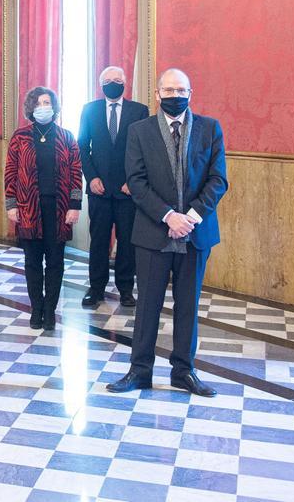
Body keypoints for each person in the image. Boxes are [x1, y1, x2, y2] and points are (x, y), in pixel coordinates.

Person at [107, 68, 228, 398]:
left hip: (196, 232)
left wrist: (189, 217)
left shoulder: (210, 129)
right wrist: (168, 216)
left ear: (191, 92)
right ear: (157, 95)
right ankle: (140, 370)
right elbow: (136, 181)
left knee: (188, 305)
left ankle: (183, 371)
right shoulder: (139, 131)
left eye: (181, 90)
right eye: (169, 90)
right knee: (147, 304)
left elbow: (218, 180)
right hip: (152, 232)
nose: (175, 96)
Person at [4, 87, 83, 332]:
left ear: (54, 106)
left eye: (47, 102)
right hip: (28, 208)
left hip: (59, 210)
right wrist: (11, 204)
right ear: (31, 107)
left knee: (56, 261)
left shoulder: (67, 137)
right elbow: (10, 172)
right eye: (38, 103)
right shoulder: (19, 137)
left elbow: (76, 173)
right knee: (32, 262)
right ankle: (36, 308)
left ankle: (50, 310)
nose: (43, 106)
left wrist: (75, 205)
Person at [77, 66, 150, 308]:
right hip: (98, 190)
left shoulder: (139, 111)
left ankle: (126, 289)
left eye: (117, 80)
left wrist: (134, 180)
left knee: (127, 242)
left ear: (125, 82)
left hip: (127, 190)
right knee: (98, 241)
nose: (112, 83)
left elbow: (144, 151)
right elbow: (82, 147)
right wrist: (92, 177)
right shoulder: (89, 110)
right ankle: (96, 288)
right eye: (107, 80)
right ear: (100, 84)